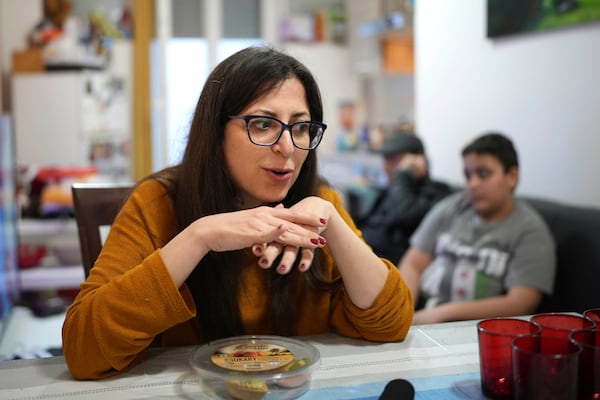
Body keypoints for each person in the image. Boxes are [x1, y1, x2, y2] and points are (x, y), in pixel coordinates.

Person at [62, 46, 414, 380]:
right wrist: (199, 237)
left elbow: (392, 325)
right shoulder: (158, 203)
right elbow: (84, 351)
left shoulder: (317, 202)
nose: (287, 147)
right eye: (263, 124)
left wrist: (332, 223)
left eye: (301, 127)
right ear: (216, 131)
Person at [398, 132, 556, 325]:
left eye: (483, 174)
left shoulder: (530, 230)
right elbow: (413, 263)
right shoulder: (451, 207)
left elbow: (521, 303)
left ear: (512, 177)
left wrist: (445, 313)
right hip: (421, 313)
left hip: (472, 327)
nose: (472, 184)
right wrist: (403, 312)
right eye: (468, 175)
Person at [355, 127, 452, 264]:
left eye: (394, 160)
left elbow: (405, 214)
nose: (387, 166)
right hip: (360, 257)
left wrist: (403, 175)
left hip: (390, 270)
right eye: (385, 160)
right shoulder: (391, 190)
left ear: (419, 159)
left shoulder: (437, 193)